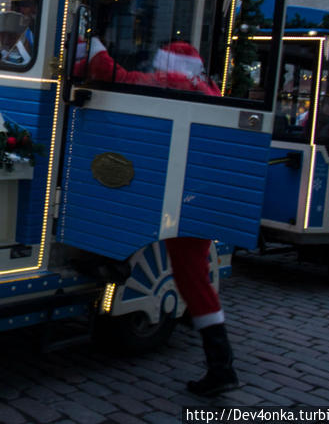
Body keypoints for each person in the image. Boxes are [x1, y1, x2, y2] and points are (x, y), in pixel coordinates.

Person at [78, 35, 239, 397]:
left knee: (118, 206)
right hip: (196, 196)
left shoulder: (166, 83)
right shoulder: (210, 90)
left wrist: (93, 40)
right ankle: (221, 362)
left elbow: (108, 72)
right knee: (193, 278)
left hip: (173, 195)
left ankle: (110, 263)